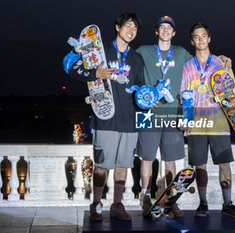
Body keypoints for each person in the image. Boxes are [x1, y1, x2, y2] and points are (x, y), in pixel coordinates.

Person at [135, 16, 232, 217]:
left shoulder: (181, 53)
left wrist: (221, 57)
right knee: (147, 158)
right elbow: (128, 67)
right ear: (156, 31)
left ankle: (170, 201)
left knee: (170, 161)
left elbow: (202, 58)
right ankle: (145, 198)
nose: (165, 30)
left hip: (173, 113)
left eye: (169, 28)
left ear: (174, 33)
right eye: (161, 27)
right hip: (148, 114)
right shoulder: (143, 51)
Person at [64, 12, 144, 221]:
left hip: (129, 120)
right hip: (105, 117)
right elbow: (71, 67)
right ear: (117, 27)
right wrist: (95, 74)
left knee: (123, 166)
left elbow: (141, 89)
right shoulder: (100, 50)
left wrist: (147, 99)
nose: (131, 31)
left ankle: (117, 205)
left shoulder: (136, 58)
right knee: (101, 166)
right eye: (128, 26)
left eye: (135, 28)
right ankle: (96, 204)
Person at [180, 22, 235, 218]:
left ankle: (227, 203)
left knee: (224, 163)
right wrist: (186, 119)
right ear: (192, 41)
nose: (200, 39)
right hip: (196, 122)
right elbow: (185, 94)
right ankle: (203, 204)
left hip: (219, 120)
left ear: (209, 38)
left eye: (204, 35)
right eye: (196, 36)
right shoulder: (187, 66)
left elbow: (232, 92)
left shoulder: (221, 63)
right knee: (199, 164)